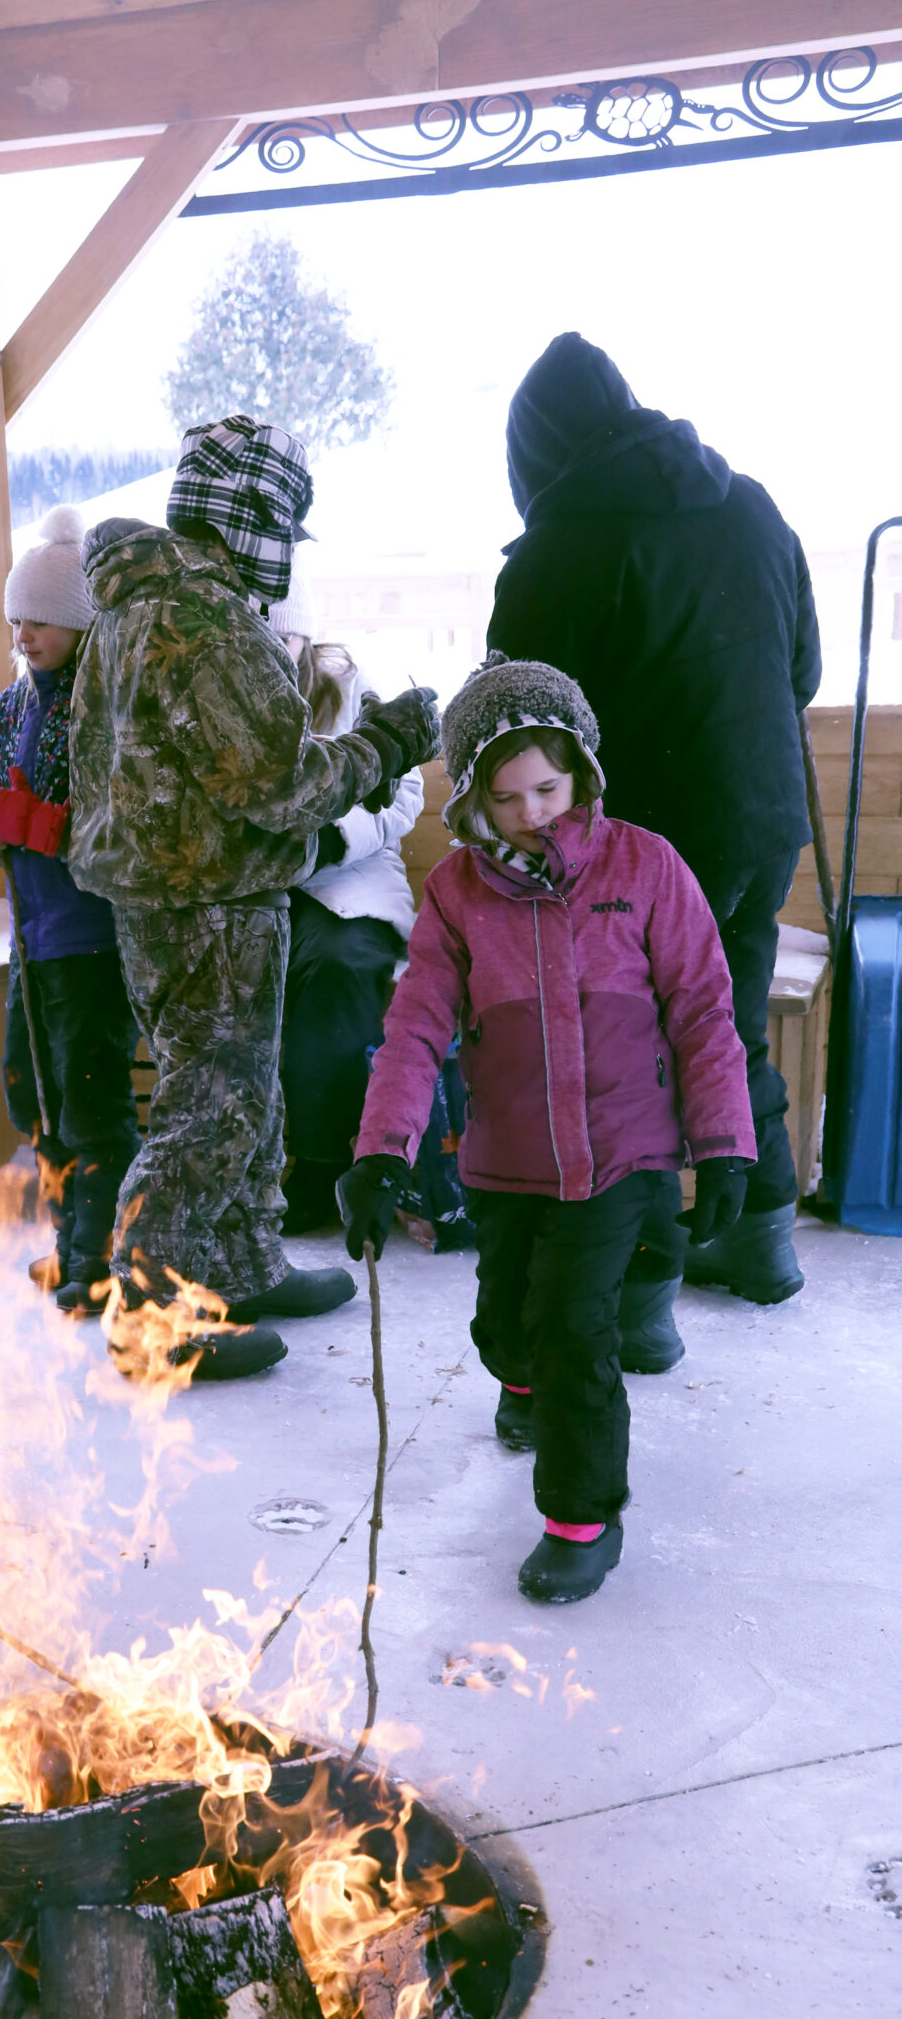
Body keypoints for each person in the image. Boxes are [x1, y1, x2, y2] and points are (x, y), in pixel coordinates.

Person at [338, 659, 754, 1606]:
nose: (530, 813)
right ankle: (516, 1381)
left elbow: (701, 1008)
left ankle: (580, 1518)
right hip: (510, 1160)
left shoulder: (644, 866)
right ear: (474, 796)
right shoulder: (456, 893)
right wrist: (380, 1153)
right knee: (507, 1325)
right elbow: (414, 1028)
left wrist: (725, 1142)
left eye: (548, 790)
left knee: (574, 1330)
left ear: (581, 775)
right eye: (507, 796)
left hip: (621, 1157)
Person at [68, 414, 441, 1381]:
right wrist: (391, 740)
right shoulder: (207, 619)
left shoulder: (131, 606)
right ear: (255, 522)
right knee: (211, 1105)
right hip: (209, 899)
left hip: (170, 890)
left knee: (241, 1090)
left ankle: (240, 1264)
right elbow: (283, 787)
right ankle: (148, 1319)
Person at [489, 333, 821, 1318]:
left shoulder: (553, 555)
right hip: (764, 820)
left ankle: (638, 1300)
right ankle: (759, 1238)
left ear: (535, 452)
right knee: (726, 1025)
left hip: (648, 846)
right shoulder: (750, 504)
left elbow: (519, 737)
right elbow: (801, 670)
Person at [0, 505, 140, 1315]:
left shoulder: (105, 707)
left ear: (80, 622)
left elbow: (119, 821)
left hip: (92, 936)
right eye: (15, 619)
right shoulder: (10, 708)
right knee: (32, 1093)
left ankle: (101, 1255)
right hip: (30, 938)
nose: (24, 634)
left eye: (40, 619)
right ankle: (70, 1240)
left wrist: (46, 826)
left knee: (91, 1098)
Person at [268, 595, 425, 1236]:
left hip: (348, 878)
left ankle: (324, 1162)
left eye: (282, 639)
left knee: (338, 968)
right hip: (254, 889)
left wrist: (332, 840)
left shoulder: (352, 690)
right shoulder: (214, 692)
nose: (269, 653)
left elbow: (402, 790)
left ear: (304, 637)